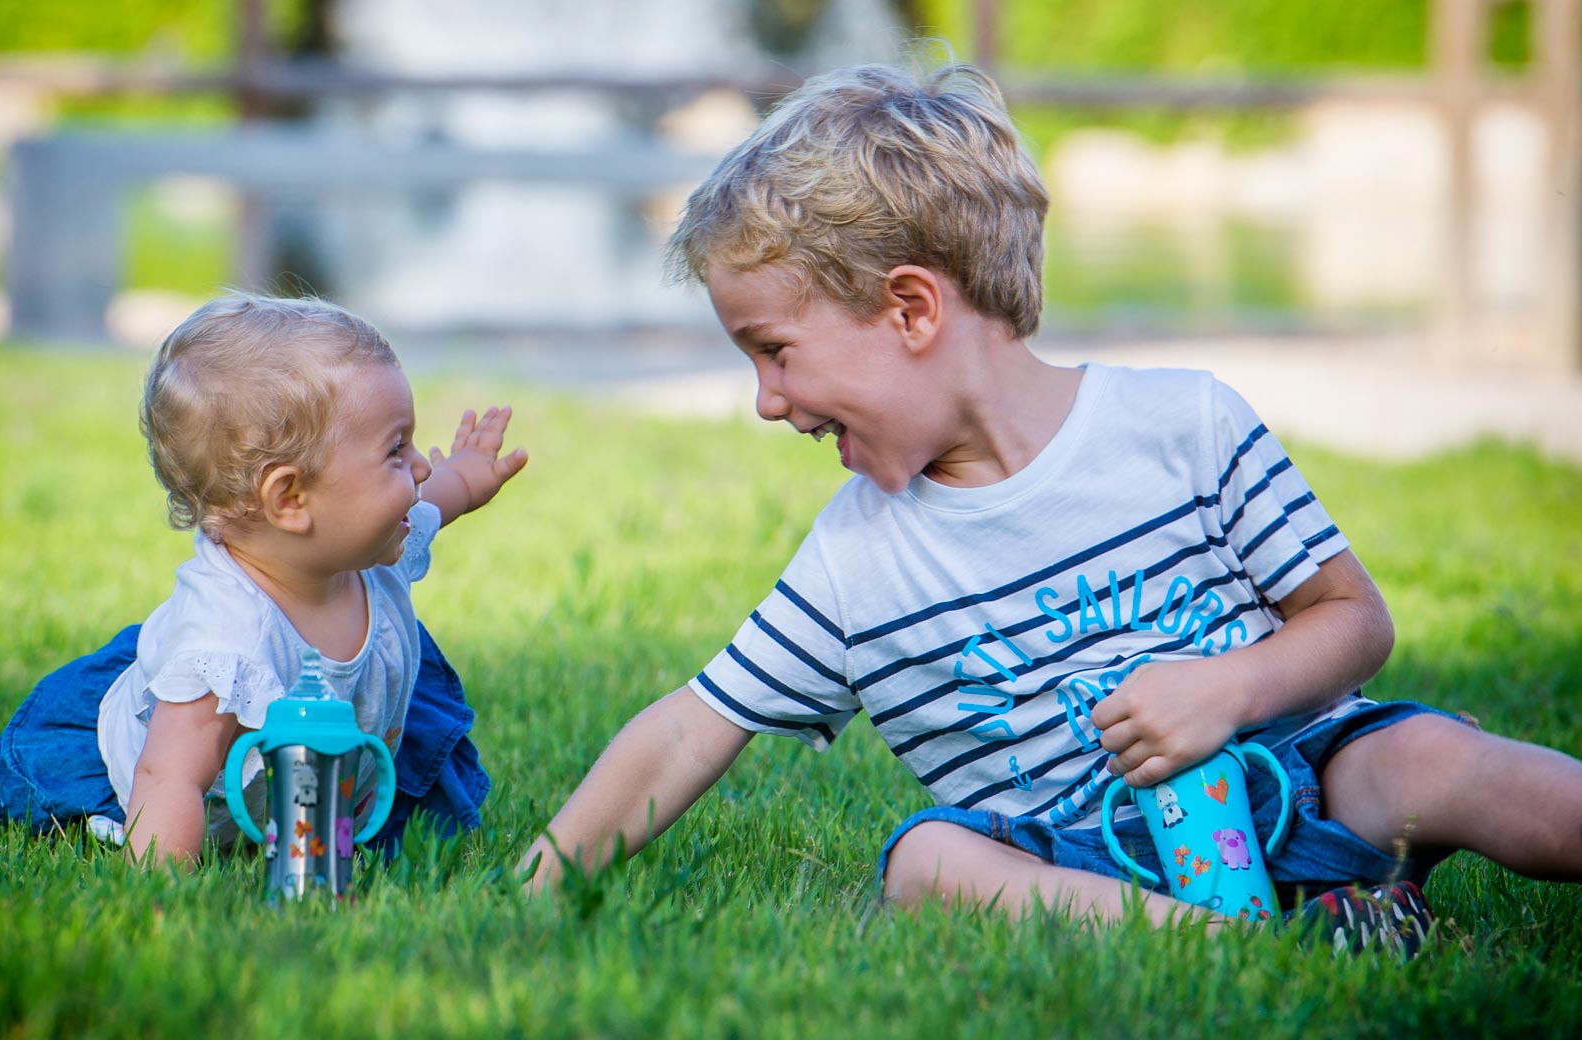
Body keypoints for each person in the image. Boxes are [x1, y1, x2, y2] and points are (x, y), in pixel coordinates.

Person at [519, 62, 1582, 956]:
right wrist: (536, 881)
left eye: (774, 351)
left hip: (1291, 786)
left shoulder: (1183, 424)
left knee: (1428, 754)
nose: (765, 401)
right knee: (925, 861)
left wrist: (1226, 688)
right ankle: (1256, 943)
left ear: (909, 307)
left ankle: (1345, 884)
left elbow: (1354, 621)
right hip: (1083, 859)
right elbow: (689, 727)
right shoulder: (856, 558)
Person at [0, 293, 527, 863]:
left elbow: (429, 500)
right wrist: (160, 892)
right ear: (290, 498)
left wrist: (466, 477)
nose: (420, 468)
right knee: (159, 770)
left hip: (326, 768)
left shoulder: (370, 542)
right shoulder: (225, 642)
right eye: (395, 449)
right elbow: (170, 777)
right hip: (201, 794)